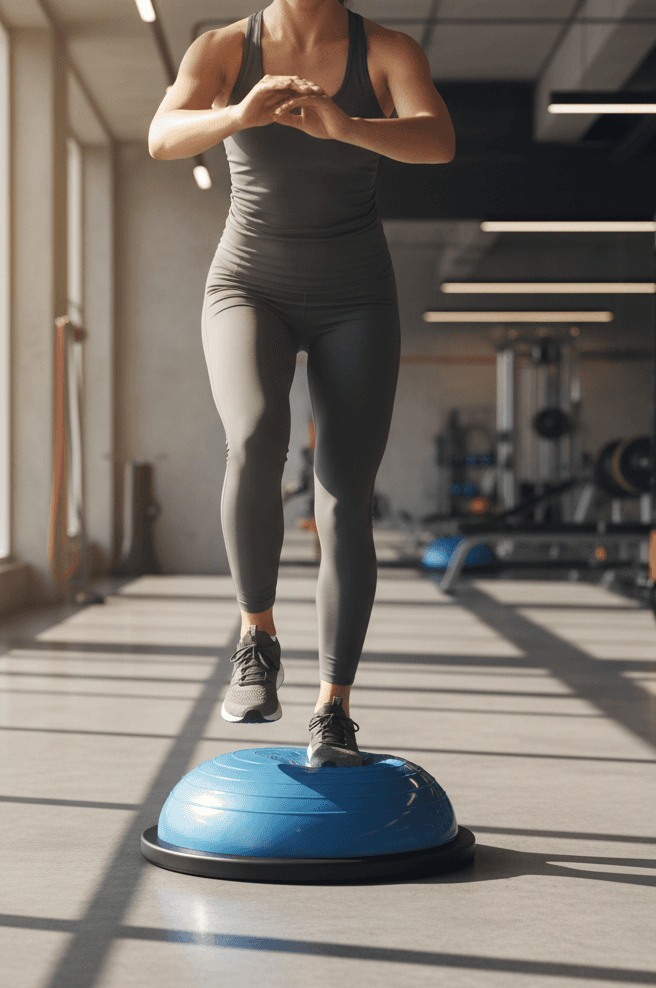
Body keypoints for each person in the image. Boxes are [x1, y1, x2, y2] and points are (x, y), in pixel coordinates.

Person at [148, 0, 454, 766]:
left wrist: (347, 125)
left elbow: (438, 140)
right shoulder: (224, 48)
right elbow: (161, 135)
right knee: (255, 435)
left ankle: (334, 708)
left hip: (358, 295)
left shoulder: (386, 50)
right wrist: (238, 114)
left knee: (345, 497)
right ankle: (257, 637)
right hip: (249, 282)